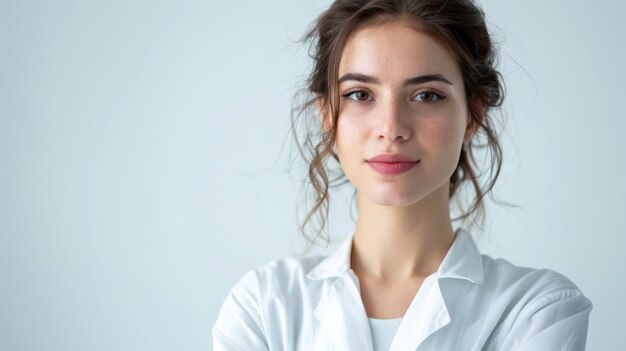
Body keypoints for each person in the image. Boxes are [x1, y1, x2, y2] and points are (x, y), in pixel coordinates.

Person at [212, 0, 593, 350]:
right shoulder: (262, 306)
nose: (391, 128)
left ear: (473, 113)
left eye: (426, 95)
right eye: (360, 94)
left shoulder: (536, 310)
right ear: (327, 114)